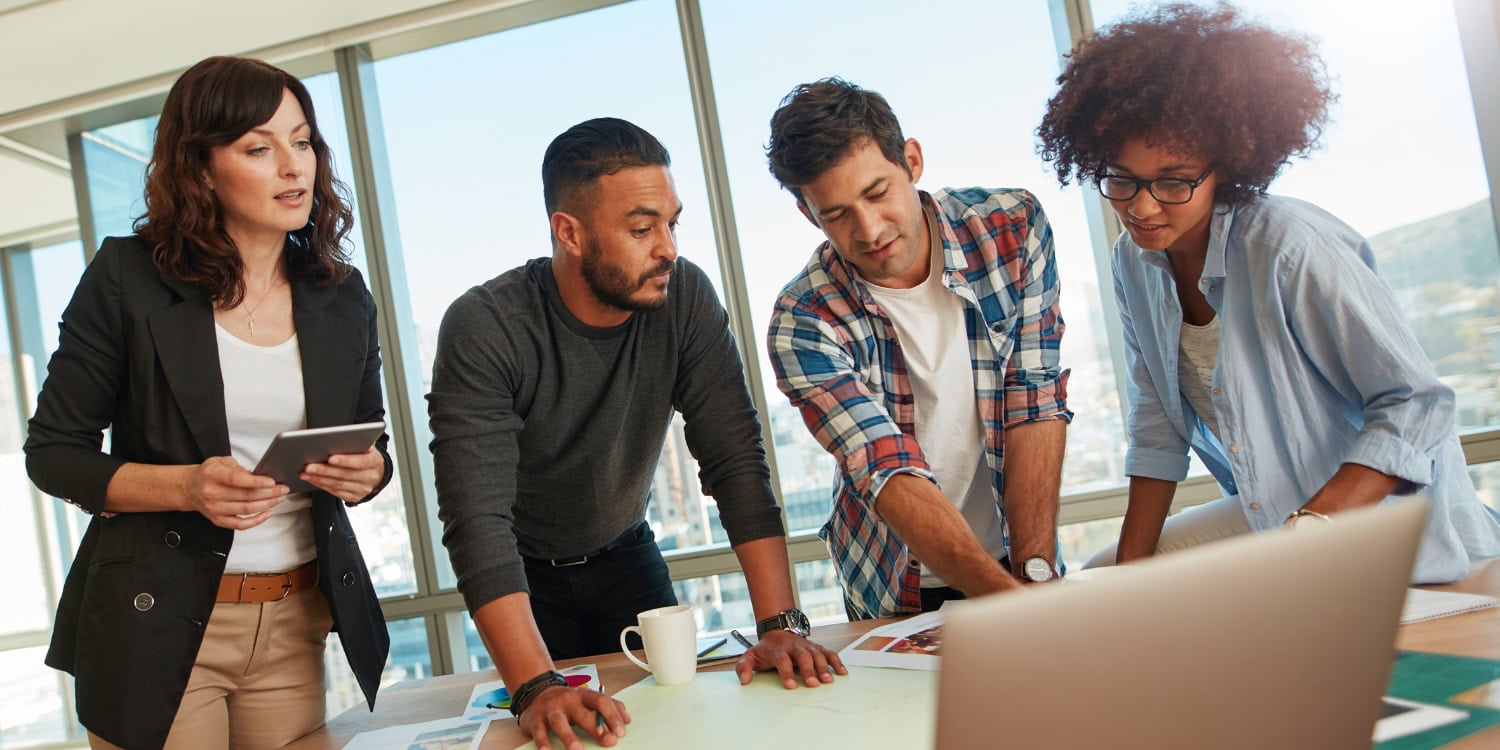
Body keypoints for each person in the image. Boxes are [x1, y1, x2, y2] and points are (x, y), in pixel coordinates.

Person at [1034, 3, 1500, 580]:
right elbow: (1157, 427)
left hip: (1392, 529)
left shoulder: (1289, 247)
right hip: (1279, 520)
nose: (1141, 206)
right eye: (1121, 179)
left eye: (1174, 182)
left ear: (1225, 166)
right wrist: (1128, 579)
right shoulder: (1135, 262)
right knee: (1106, 577)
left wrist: (1313, 528)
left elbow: (1416, 403)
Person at [428, 117, 845, 750]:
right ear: (569, 232)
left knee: (670, 729)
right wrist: (536, 686)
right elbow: (476, 520)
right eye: (642, 228)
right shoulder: (486, 327)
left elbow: (735, 460)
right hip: (522, 579)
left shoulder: (684, 298)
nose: (668, 248)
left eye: (673, 224)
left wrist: (779, 624)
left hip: (627, 556)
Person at [24, 56, 393, 750]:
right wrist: (187, 486)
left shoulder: (341, 295)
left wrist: (366, 474)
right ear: (200, 169)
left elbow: (372, 452)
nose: (294, 166)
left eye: (303, 140)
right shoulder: (126, 279)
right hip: (159, 623)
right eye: (259, 148)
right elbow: (53, 455)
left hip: (295, 618)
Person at [764, 78, 1072, 620]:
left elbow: (1035, 400)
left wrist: (1033, 579)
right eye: (836, 214)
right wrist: (1008, 604)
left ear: (912, 160)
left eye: (877, 192)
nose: (869, 229)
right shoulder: (803, 319)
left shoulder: (1011, 228)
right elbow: (886, 468)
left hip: (1019, 558)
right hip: (893, 588)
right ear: (808, 215)